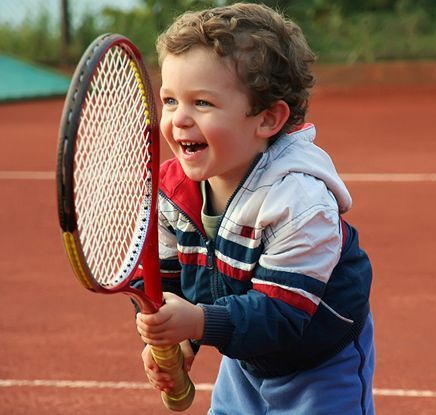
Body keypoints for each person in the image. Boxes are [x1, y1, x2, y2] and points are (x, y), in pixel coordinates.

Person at [133, 3, 374, 414]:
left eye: (203, 103)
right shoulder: (172, 193)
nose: (180, 119)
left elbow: (281, 315)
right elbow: (165, 281)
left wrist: (199, 322)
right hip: (244, 355)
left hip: (319, 361)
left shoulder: (300, 203)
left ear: (267, 119)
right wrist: (176, 339)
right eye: (170, 100)